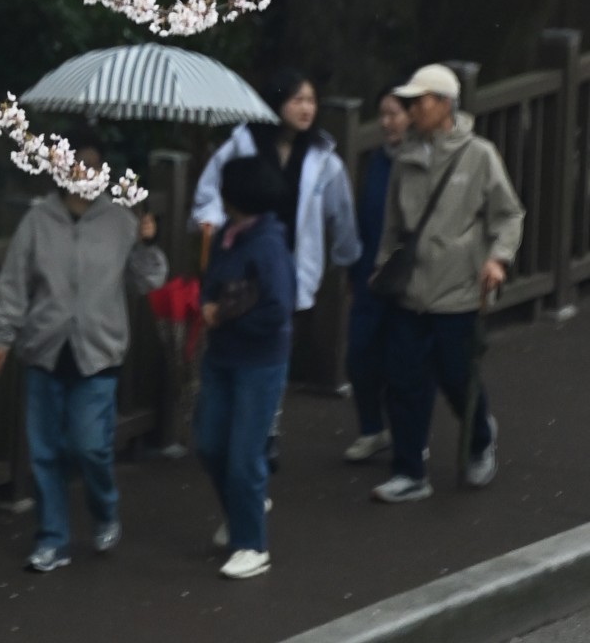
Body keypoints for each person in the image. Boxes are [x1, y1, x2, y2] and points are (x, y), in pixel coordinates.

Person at [0, 140, 167, 572]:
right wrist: (0, 336)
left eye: (92, 166)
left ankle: (105, 509)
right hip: (44, 347)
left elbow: (149, 280)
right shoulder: (38, 219)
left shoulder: (120, 219)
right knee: (44, 451)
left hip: (98, 351)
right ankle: (52, 539)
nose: (83, 173)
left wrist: (147, 243)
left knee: (90, 446)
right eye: (76, 164)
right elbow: (14, 281)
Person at [370, 62, 525, 504]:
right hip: (410, 290)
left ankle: (479, 440)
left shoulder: (479, 155)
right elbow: (393, 225)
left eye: (418, 101)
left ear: (444, 104)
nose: (411, 109)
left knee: (458, 378)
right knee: (403, 381)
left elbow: (508, 214)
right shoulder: (405, 157)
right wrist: (382, 269)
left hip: (458, 291)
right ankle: (409, 471)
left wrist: (498, 258)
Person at [191, 70, 360, 323]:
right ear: (276, 102)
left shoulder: (323, 158)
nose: (306, 108)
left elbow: (342, 213)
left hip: (294, 266)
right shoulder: (244, 143)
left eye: (311, 101)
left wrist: (347, 258)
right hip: (243, 261)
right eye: (297, 100)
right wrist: (211, 220)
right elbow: (209, 188)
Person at [195, 154, 295, 581]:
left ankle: (252, 544)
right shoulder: (226, 235)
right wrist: (207, 304)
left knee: (244, 453)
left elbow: (277, 308)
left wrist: (224, 317)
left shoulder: (268, 245)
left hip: (259, 362)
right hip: (222, 356)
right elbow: (211, 281)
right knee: (210, 442)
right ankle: (238, 514)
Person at [343, 86, 411, 462]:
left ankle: (408, 436)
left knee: (404, 362)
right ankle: (372, 428)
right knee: (359, 354)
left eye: (394, 114)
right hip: (371, 273)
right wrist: (356, 272)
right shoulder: (377, 162)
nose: (386, 123)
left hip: (408, 277)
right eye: (382, 115)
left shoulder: (421, 161)